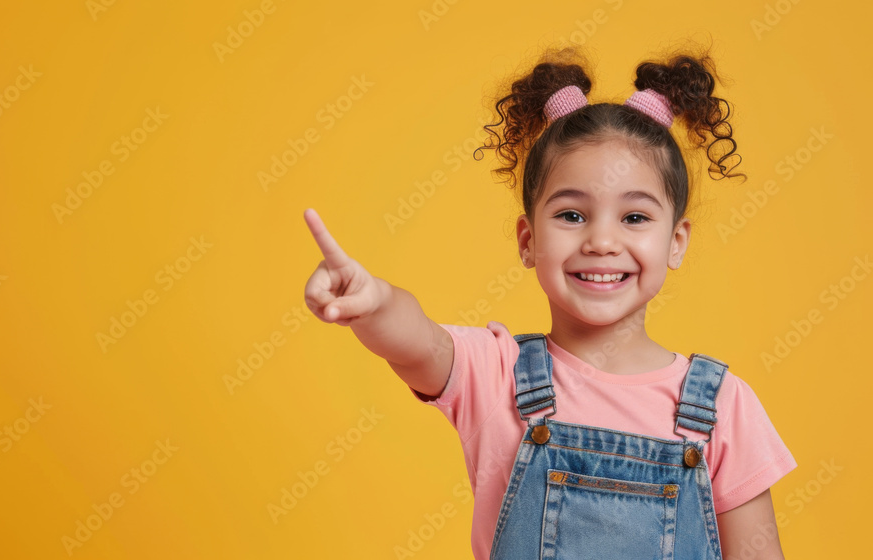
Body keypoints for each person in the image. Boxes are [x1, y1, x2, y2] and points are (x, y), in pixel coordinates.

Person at [302, 46, 796, 560]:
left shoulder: (722, 407)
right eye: (572, 215)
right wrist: (375, 302)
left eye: (634, 218)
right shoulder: (495, 376)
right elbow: (417, 343)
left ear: (676, 242)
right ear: (527, 239)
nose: (602, 241)